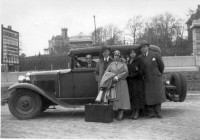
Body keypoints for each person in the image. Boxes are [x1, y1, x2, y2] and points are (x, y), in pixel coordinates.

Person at [138, 40, 166, 119]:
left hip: (156, 78)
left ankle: (158, 112)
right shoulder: (140, 57)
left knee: (157, 95)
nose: (143, 49)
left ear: (148, 47)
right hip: (146, 79)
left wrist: (158, 73)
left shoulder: (155, 55)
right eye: (141, 48)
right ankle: (151, 112)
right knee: (148, 96)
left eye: (144, 47)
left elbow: (161, 66)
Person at [104, 50, 131, 120]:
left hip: (122, 82)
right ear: (113, 56)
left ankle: (121, 111)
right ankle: (116, 110)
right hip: (114, 83)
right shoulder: (111, 64)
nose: (116, 56)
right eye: (115, 55)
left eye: (118, 55)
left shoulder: (123, 63)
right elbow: (106, 72)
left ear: (120, 56)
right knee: (115, 97)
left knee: (122, 97)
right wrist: (112, 77)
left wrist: (118, 77)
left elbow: (126, 71)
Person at [127, 50, 146, 120]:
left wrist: (133, 75)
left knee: (137, 96)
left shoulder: (139, 61)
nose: (132, 54)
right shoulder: (128, 61)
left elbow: (142, 71)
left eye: (134, 53)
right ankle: (133, 111)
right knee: (132, 96)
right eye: (131, 53)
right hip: (130, 81)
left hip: (137, 81)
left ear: (136, 54)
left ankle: (137, 112)